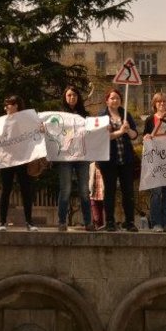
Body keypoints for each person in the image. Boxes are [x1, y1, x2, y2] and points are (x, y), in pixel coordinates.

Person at [98, 89, 139, 232]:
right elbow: (104, 137)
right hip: (109, 160)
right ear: (107, 101)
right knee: (109, 190)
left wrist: (127, 130)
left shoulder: (126, 114)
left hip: (126, 158)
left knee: (128, 191)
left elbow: (135, 135)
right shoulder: (102, 117)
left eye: (117, 98)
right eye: (112, 98)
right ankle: (109, 221)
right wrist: (120, 132)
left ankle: (130, 221)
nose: (115, 101)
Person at [142, 92, 166, 233]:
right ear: (154, 104)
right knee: (156, 192)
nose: (162, 104)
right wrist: (147, 136)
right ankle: (156, 223)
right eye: (159, 102)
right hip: (155, 160)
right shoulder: (150, 119)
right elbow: (145, 137)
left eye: (164, 101)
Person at [55, 86, 92, 232]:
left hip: (82, 156)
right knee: (66, 189)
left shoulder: (85, 115)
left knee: (84, 190)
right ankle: (62, 222)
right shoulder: (58, 115)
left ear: (78, 97)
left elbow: (93, 133)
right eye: (69, 95)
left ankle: (88, 222)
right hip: (65, 157)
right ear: (65, 97)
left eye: (75, 95)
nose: (72, 98)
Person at [0, 95, 35, 232]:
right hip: (7, 160)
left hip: (22, 159)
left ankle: (29, 222)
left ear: (16, 105)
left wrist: (40, 129)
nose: (5, 107)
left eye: (8, 104)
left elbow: (33, 134)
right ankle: (2, 222)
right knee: (5, 190)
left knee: (26, 191)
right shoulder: (1, 122)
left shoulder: (26, 121)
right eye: (5, 105)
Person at [88, 161, 106, 231]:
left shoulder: (105, 165)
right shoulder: (91, 165)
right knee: (95, 213)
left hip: (102, 192)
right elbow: (89, 178)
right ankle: (96, 225)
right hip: (93, 193)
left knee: (101, 211)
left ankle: (100, 226)